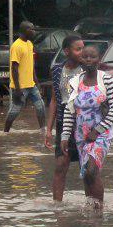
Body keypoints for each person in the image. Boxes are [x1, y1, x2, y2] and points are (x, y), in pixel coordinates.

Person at [58, 44, 113, 206]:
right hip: (81, 134)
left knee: (92, 170)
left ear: (99, 60)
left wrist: (97, 131)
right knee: (86, 173)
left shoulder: (106, 79)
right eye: (85, 57)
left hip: (102, 133)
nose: (88, 60)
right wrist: (65, 136)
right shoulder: (75, 81)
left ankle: (98, 210)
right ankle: (90, 212)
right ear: (81, 60)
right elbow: (70, 110)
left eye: (92, 56)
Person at [45, 33, 85, 202]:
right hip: (64, 124)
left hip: (85, 125)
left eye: (83, 48)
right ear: (66, 51)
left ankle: (95, 207)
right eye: (78, 49)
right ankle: (57, 208)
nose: (82, 52)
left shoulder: (88, 70)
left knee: (89, 169)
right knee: (61, 165)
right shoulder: (56, 70)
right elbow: (54, 99)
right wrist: (49, 129)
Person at [4, 21, 45, 133]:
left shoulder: (30, 44)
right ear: (24, 30)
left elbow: (31, 66)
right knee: (15, 111)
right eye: (31, 29)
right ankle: (5, 132)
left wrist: (37, 83)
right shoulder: (16, 46)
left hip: (31, 85)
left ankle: (43, 131)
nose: (34, 32)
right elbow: (14, 68)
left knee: (40, 107)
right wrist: (17, 89)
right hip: (20, 87)